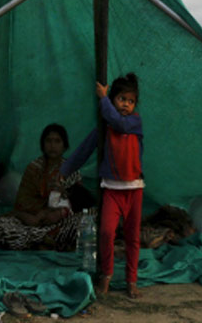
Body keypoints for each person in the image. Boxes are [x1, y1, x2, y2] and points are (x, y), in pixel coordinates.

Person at [62, 73, 144, 299]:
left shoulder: (134, 123)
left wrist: (103, 99)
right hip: (111, 190)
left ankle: (131, 280)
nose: (126, 104)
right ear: (114, 100)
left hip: (134, 190)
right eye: (121, 99)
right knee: (106, 232)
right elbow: (83, 151)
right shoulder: (104, 129)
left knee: (132, 237)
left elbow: (119, 122)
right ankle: (106, 275)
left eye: (130, 101)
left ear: (135, 105)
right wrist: (63, 171)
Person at [0, 124, 89, 252]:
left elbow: (80, 204)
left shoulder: (72, 171)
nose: (52, 145)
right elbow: (22, 203)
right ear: (43, 145)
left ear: (64, 146)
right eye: (49, 141)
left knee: (88, 219)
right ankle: (48, 242)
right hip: (30, 223)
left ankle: (43, 241)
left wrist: (60, 213)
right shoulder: (34, 169)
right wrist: (33, 216)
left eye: (57, 141)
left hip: (60, 223)